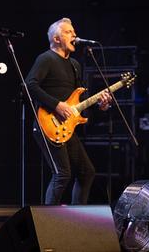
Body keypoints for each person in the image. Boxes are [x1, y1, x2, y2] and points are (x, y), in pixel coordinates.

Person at [26, 17, 112, 205]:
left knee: (86, 172)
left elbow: (79, 99)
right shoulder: (46, 58)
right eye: (68, 32)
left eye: (74, 32)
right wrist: (56, 105)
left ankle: (77, 220)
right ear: (56, 39)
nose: (74, 35)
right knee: (62, 174)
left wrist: (101, 104)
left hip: (66, 127)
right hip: (46, 124)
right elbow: (29, 85)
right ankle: (48, 225)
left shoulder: (75, 65)